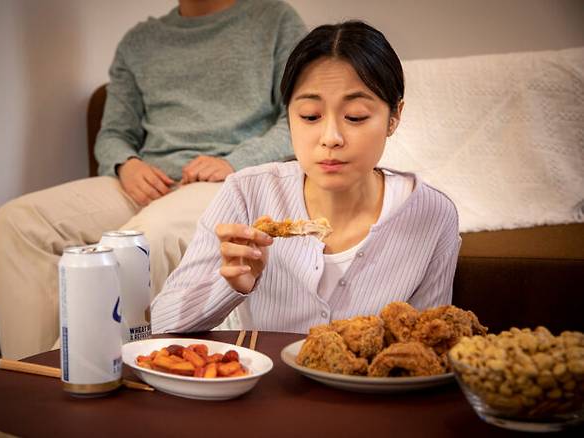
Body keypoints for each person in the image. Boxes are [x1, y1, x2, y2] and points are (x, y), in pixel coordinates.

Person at [0, 0, 306, 359]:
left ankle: (92, 372)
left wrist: (233, 162)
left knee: (140, 241)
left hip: (220, 183)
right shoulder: (140, 41)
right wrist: (126, 163)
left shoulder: (275, 19)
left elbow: (297, 118)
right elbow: (112, 134)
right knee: (18, 221)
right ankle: (31, 376)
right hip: (147, 180)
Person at [151, 20, 461, 334]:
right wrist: (232, 286)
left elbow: (429, 347)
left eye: (355, 116)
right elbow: (160, 324)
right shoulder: (246, 193)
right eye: (310, 116)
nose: (331, 138)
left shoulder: (433, 215)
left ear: (394, 117)